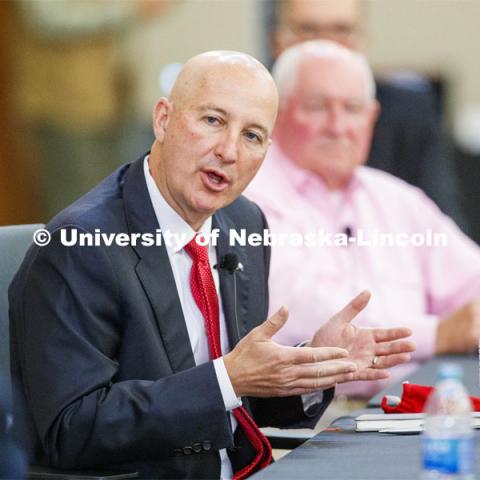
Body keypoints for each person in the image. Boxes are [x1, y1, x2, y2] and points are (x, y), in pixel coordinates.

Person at [9, 51, 414, 479]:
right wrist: (227, 379)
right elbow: (72, 430)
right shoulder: (83, 244)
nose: (229, 151)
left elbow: (231, 398)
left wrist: (310, 366)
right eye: (213, 121)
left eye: (252, 136)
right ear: (163, 119)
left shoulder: (243, 222)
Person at [245, 40, 480, 399]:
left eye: (352, 109)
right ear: (278, 114)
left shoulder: (398, 199)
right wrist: (440, 334)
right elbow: (304, 317)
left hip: (412, 408)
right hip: (305, 421)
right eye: (318, 107)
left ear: (371, 117)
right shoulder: (249, 199)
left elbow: (471, 281)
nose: (338, 126)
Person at [269, 0, 466, 229]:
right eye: (307, 30)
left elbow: (444, 233)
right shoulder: (246, 111)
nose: (326, 46)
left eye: (341, 30)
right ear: (277, 41)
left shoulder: (408, 115)